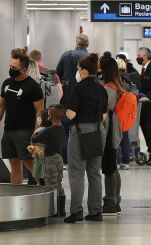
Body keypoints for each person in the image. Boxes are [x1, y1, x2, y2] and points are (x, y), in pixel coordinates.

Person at [64, 53, 108, 223]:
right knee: (95, 173)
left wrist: (67, 112)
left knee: (76, 172)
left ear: (83, 71)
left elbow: (71, 114)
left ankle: (76, 211)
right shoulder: (101, 89)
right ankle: (96, 211)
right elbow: (104, 115)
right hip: (97, 130)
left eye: (78, 69)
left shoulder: (78, 88)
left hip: (79, 132)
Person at [0, 51, 44, 184]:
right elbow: (1, 106)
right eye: (10, 66)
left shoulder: (33, 87)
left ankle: (43, 189)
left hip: (26, 131)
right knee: (14, 164)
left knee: (30, 163)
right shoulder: (6, 83)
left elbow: (40, 111)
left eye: (14, 68)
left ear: (23, 69)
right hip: (9, 131)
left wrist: (36, 134)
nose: (10, 69)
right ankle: (16, 196)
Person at [56, 34, 89, 168]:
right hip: (85, 98)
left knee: (65, 129)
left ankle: (65, 160)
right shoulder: (90, 58)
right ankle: (82, 159)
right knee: (83, 129)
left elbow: (57, 74)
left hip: (67, 96)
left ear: (76, 43)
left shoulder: (66, 55)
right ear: (87, 44)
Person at [31, 104, 66, 217]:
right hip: (60, 158)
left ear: (50, 116)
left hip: (50, 158)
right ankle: (61, 210)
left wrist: (39, 127)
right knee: (58, 183)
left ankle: (53, 210)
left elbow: (34, 139)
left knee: (50, 184)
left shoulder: (48, 130)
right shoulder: (61, 129)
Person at [99, 56, 124, 216]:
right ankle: (115, 199)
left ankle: (110, 202)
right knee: (112, 165)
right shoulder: (118, 85)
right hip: (115, 127)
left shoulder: (108, 89)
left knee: (108, 166)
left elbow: (104, 110)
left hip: (108, 128)